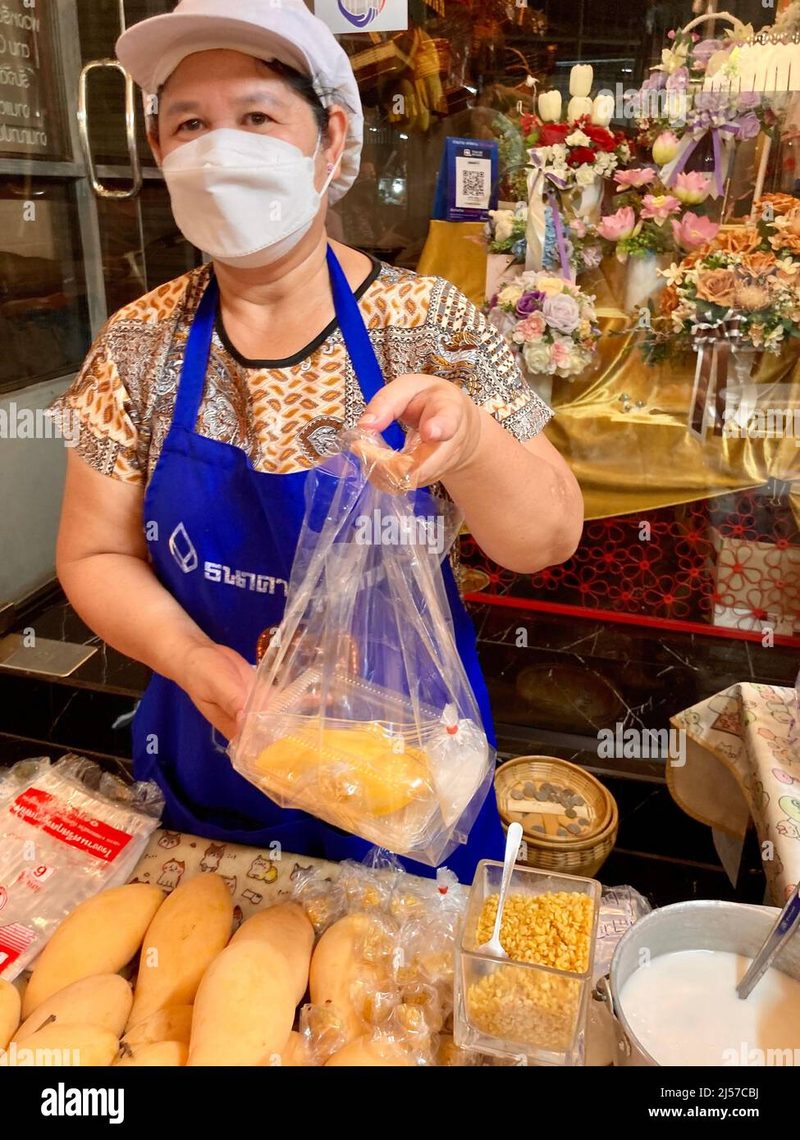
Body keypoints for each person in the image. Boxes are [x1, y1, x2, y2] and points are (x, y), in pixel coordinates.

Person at [52, 0, 583, 882]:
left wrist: (474, 443)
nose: (220, 149)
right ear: (160, 153)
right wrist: (199, 667)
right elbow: (93, 551)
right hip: (213, 753)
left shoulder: (427, 323)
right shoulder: (138, 342)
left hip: (405, 774)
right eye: (191, 124)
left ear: (331, 140)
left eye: (257, 117)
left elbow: (547, 539)